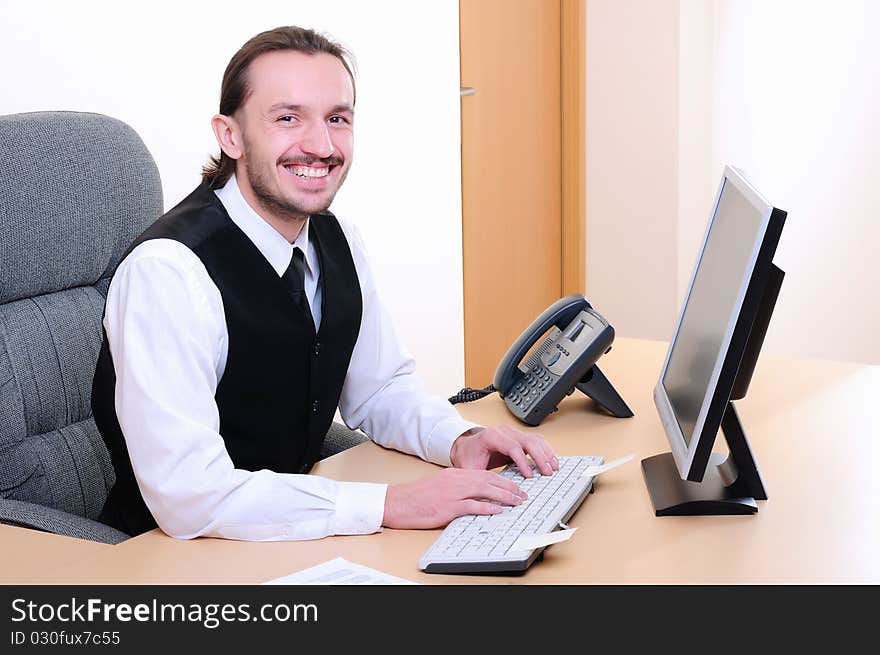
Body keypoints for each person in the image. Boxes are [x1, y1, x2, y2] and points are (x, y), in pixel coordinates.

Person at [92, 25, 559, 541]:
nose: (321, 145)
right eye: (287, 118)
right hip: (179, 560)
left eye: (337, 119)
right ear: (230, 136)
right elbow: (189, 496)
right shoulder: (169, 272)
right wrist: (390, 504)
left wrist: (459, 440)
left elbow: (380, 389)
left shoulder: (338, 241)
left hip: (298, 531)